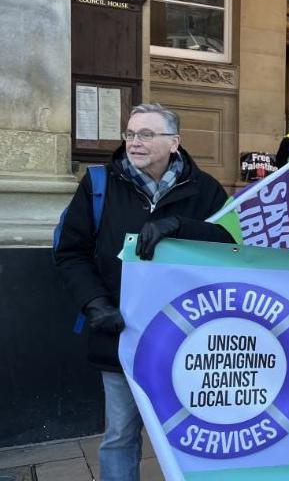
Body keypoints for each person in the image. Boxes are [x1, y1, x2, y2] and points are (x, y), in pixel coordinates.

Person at [55, 104, 235, 481]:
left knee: (197, 434)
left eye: (147, 134)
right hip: (122, 334)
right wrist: (95, 304)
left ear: (175, 142)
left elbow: (232, 246)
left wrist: (180, 226)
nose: (135, 143)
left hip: (188, 340)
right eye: (131, 134)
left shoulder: (206, 190)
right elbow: (71, 252)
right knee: (120, 435)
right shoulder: (99, 184)